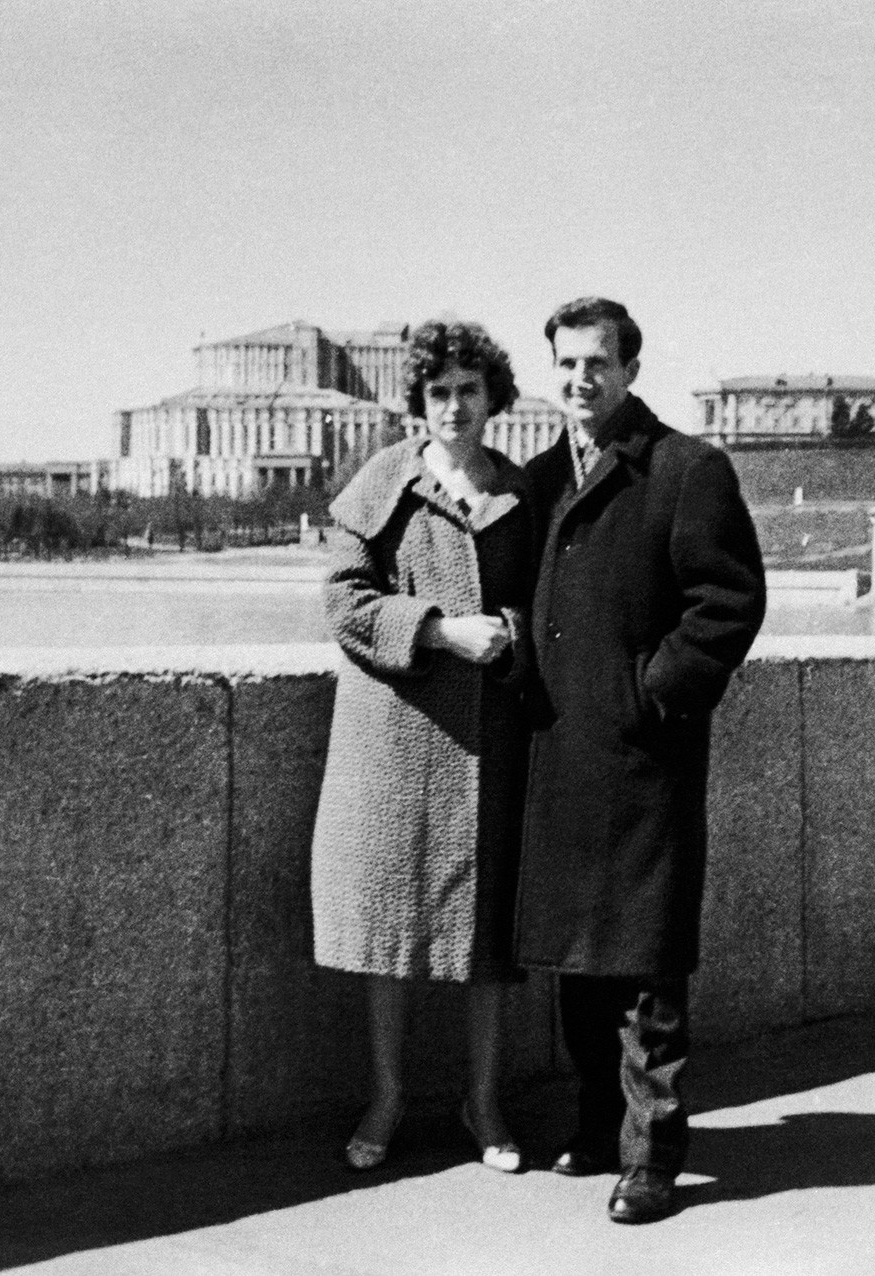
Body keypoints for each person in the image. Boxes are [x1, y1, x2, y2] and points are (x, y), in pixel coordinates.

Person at [515, 297, 767, 1223]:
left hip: (642, 758)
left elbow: (728, 602)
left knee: (646, 969)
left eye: (598, 363)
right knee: (576, 964)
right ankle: (593, 1125)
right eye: (568, 365)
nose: (582, 380)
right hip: (559, 756)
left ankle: (654, 1157)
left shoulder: (686, 469)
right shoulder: (541, 479)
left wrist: (652, 691)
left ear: (630, 369)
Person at [308, 319, 539, 1175]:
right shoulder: (382, 482)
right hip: (397, 735)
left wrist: (507, 631)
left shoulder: (520, 490)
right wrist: (437, 630)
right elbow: (343, 601)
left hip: (490, 740)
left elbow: (544, 603)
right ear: (420, 401)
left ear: (493, 400)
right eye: (439, 393)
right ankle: (388, 1094)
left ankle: (485, 1102)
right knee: (387, 924)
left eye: (469, 392)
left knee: (489, 936)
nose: (453, 407)